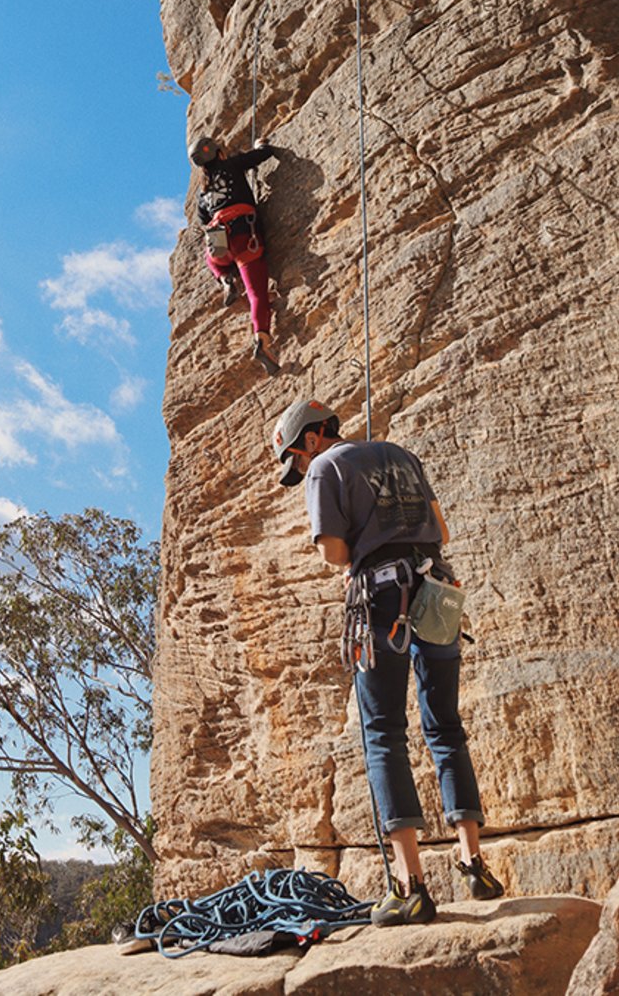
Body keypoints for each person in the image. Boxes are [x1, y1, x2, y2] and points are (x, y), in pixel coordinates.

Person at [270, 399, 505, 925]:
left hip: (380, 598)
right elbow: (439, 528)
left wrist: (359, 544)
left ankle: (410, 885)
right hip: (436, 590)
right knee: (445, 724)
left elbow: (333, 552)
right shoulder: (402, 455)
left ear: (311, 439)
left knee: (383, 733)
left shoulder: (327, 467)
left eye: (296, 458)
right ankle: (474, 865)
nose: (300, 469)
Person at [189, 134, 279, 375]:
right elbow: (262, 155)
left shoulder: (202, 193)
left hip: (219, 247)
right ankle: (262, 341)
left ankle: (224, 278)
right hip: (244, 239)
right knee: (257, 295)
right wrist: (261, 146)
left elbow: (202, 224)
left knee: (213, 257)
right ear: (219, 153)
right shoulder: (231, 165)